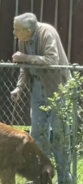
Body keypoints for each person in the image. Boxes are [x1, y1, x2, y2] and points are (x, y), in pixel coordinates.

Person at [10, 12, 72, 184]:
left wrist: (25, 57)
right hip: (36, 89)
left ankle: (65, 179)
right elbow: (24, 66)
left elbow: (53, 59)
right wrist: (19, 87)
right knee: (37, 134)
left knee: (59, 135)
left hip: (57, 89)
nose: (13, 32)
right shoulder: (22, 38)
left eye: (16, 29)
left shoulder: (47, 33)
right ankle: (40, 177)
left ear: (28, 31)